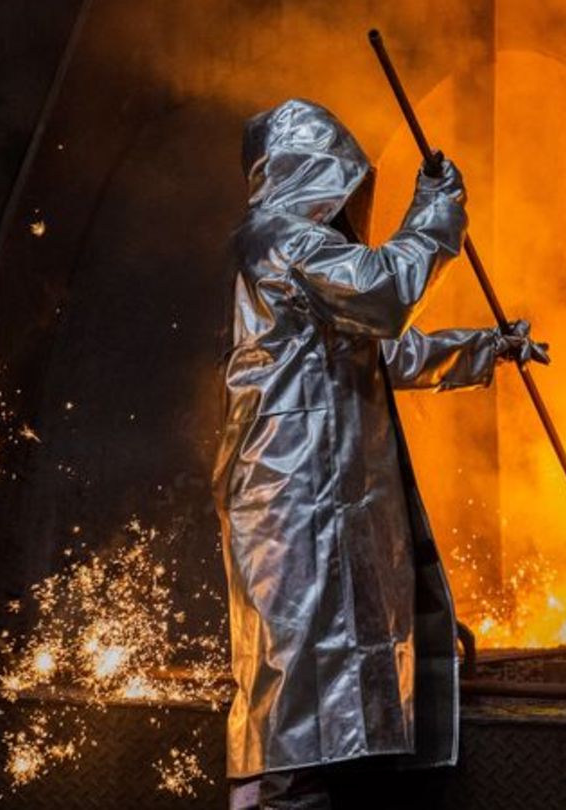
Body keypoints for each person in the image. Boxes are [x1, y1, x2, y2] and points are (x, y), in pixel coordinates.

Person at [213, 98, 547, 809]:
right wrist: (438, 213)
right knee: (294, 702)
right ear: (312, 176)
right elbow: (389, 291)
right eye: (341, 182)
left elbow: (390, 353)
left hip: (319, 502)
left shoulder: (303, 262)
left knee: (325, 706)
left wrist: (489, 347)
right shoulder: (278, 240)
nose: (349, 201)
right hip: (292, 501)